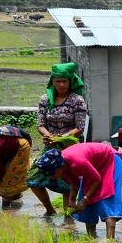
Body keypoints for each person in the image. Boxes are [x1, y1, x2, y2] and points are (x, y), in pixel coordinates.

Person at [28, 62, 88, 216]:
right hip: (50, 147)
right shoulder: (45, 100)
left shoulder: (77, 100)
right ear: (52, 81)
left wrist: (62, 138)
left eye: (65, 81)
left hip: (71, 148)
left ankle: (68, 219)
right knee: (33, 179)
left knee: (67, 184)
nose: (61, 84)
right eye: (58, 81)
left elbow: (80, 127)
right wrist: (49, 136)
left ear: (70, 81)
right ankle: (50, 210)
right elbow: (40, 124)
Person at [34, 142, 122, 239]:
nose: (52, 178)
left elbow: (97, 180)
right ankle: (92, 239)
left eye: (52, 175)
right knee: (87, 205)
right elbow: (74, 183)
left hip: (110, 159)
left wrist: (85, 199)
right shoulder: (63, 165)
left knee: (107, 200)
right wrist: (72, 201)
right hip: (93, 165)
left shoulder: (77, 162)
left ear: (58, 168)